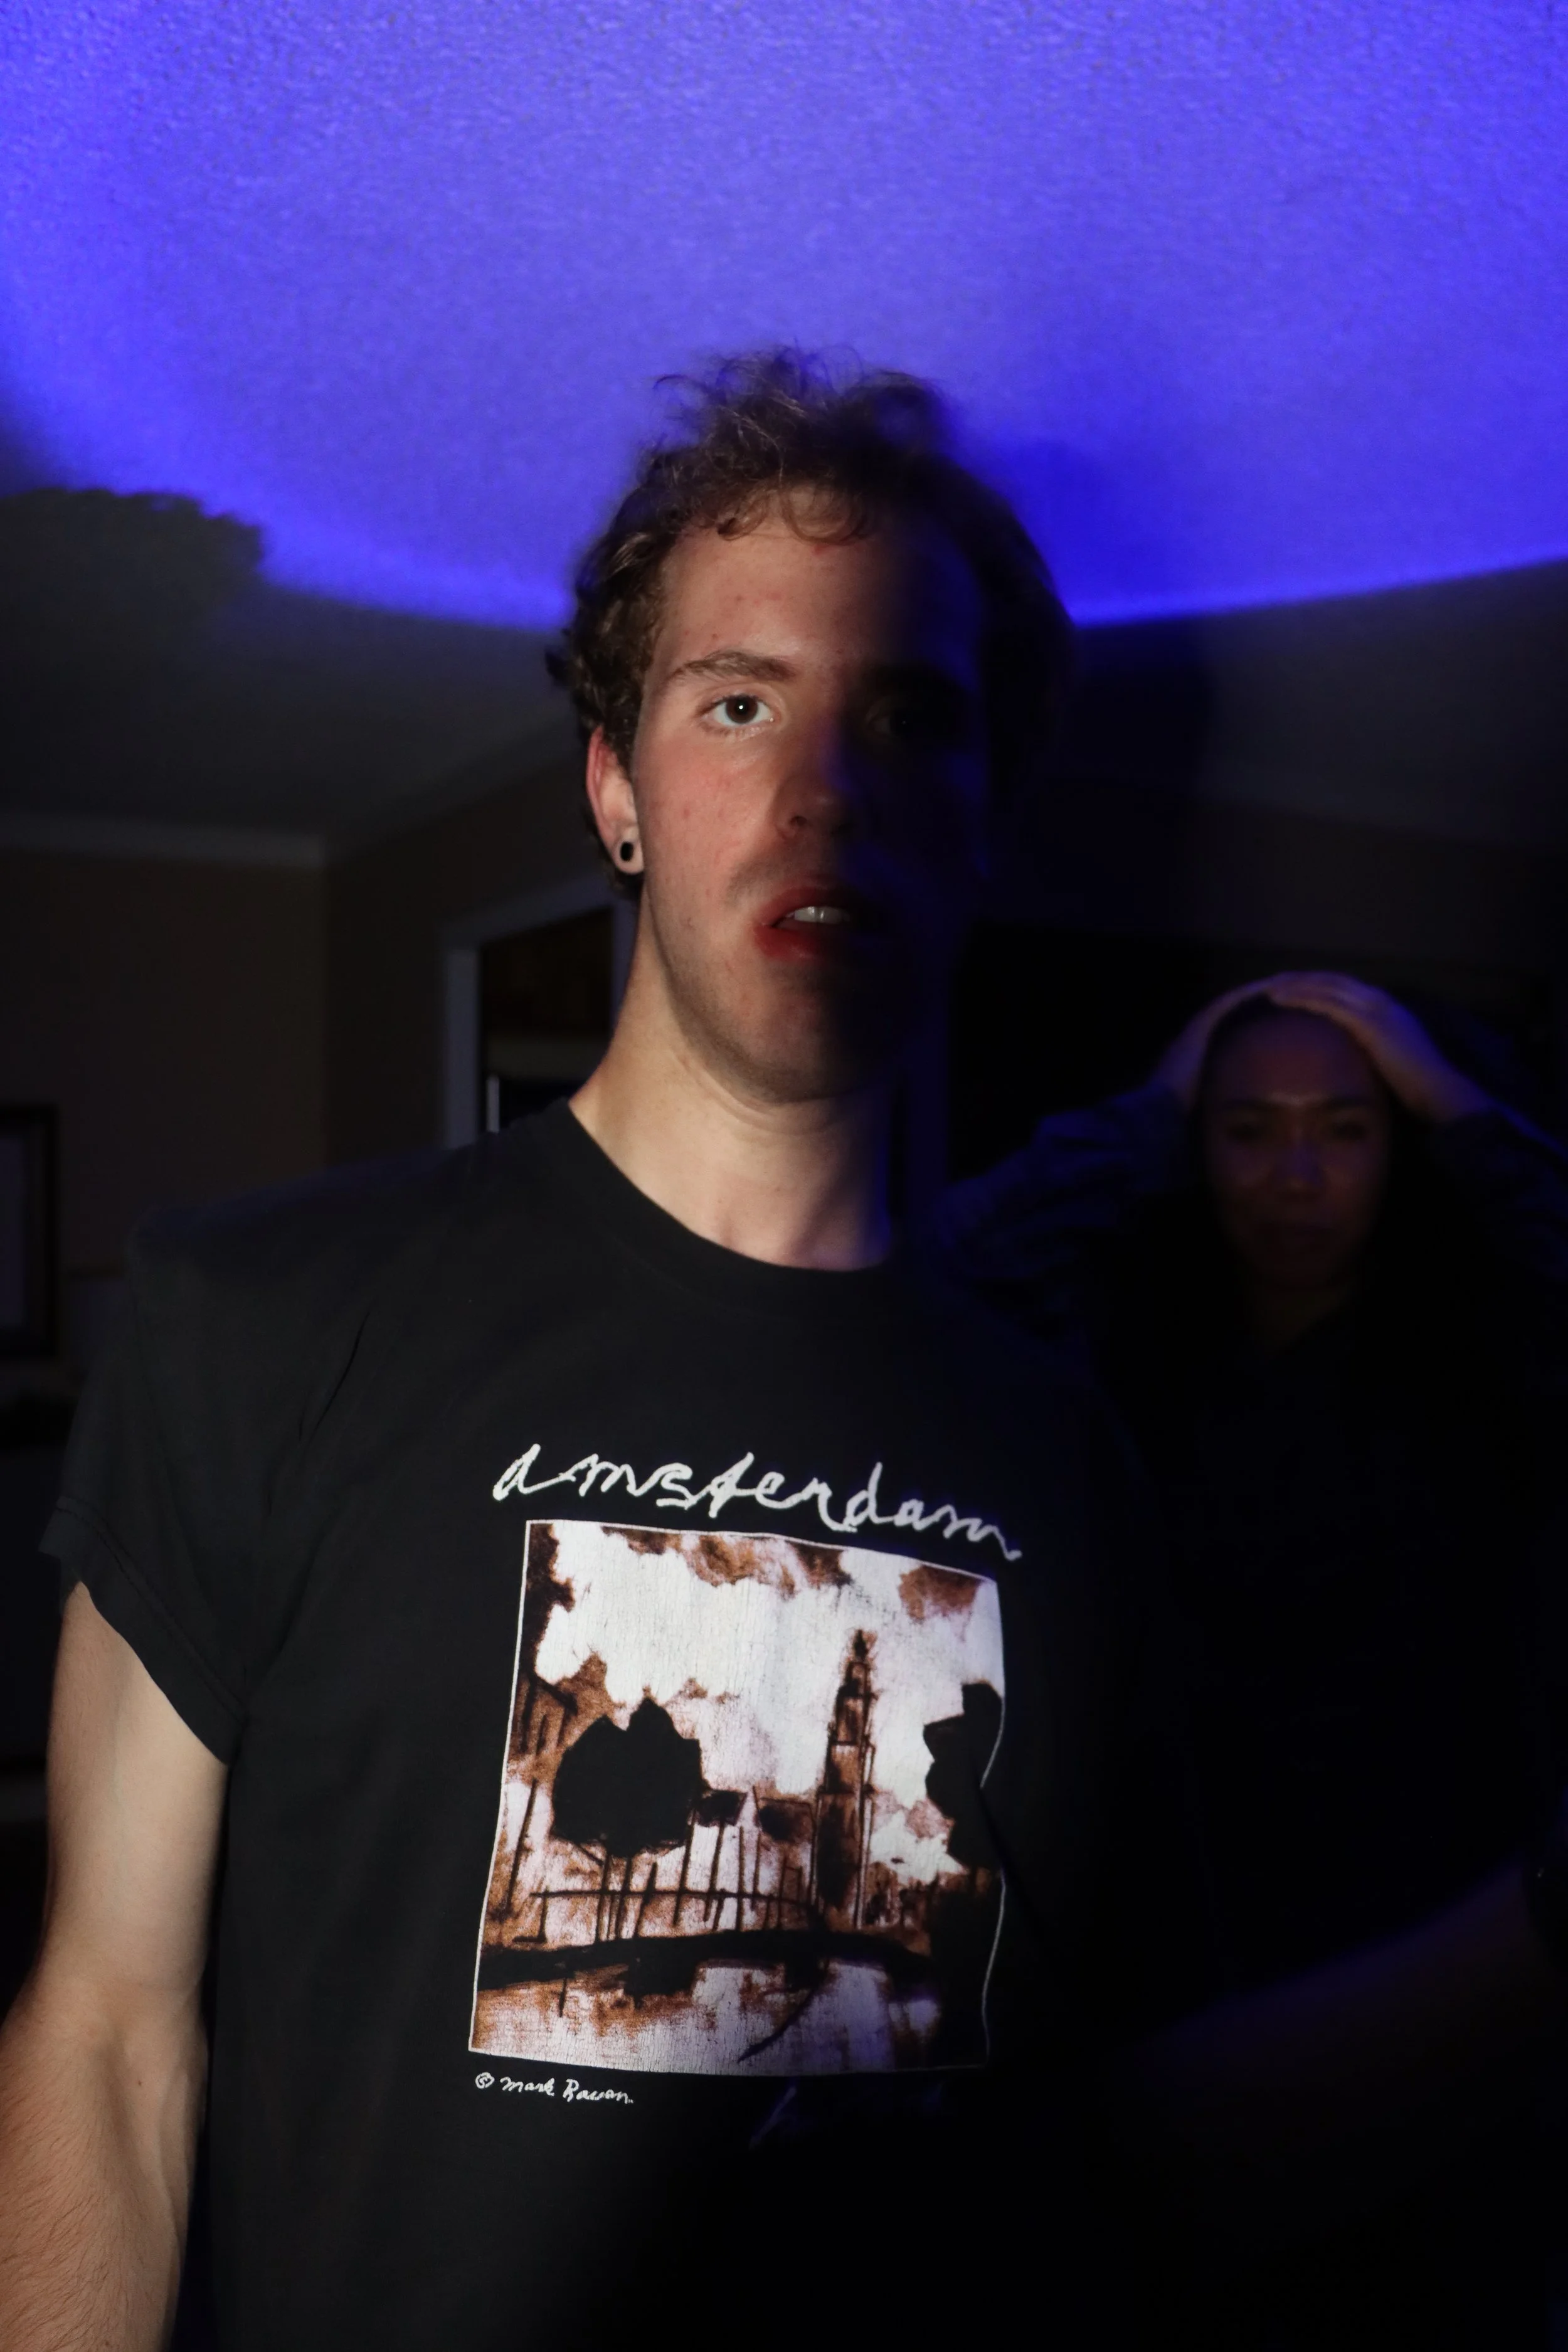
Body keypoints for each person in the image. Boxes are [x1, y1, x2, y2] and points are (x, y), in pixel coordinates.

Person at [0, 354, 1192, 2350]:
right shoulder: (258, 1318)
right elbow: (112, 2030)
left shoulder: (1074, 1453)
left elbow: (1120, 2122)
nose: (827, 782)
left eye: (909, 717)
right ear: (616, 790)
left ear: (986, 819)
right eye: (739, 701)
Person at [938, 968, 1568, 2344]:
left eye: (1343, 1127)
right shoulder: (1117, 1350)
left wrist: (1450, 1100)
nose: (1294, 1172)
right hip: (1178, 1956)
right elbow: (939, 1273)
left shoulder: (1476, 1357)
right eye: (1246, 1127)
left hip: (1436, 1957)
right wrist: (1148, 1109)